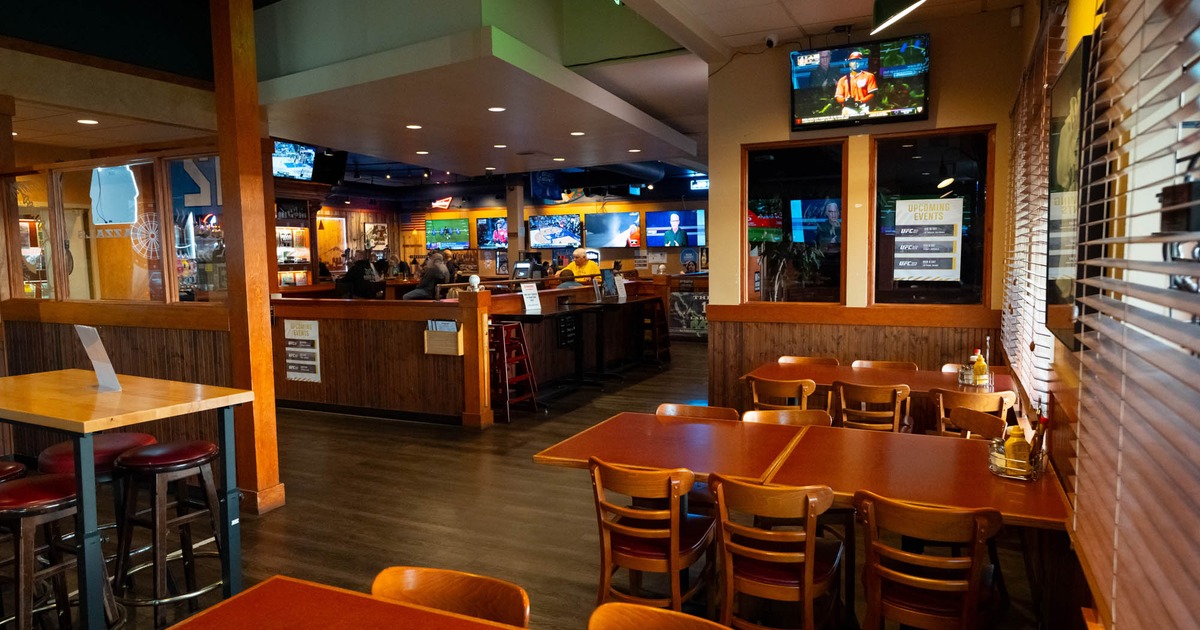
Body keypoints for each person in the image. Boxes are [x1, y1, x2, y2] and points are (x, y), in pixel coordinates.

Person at [835, 51, 877, 116]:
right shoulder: (842, 80)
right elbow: (838, 97)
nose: (854, 63)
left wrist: (860, 102)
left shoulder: (869, 76)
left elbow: (872, 95)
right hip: (848, 109)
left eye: (857, 60)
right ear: (849, 63)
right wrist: (846, 101)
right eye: (852, 61)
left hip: (863, 108)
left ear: (861, 62)